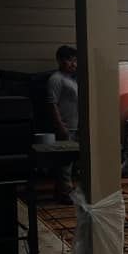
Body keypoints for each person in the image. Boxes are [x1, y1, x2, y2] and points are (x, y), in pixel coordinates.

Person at [46, 45, 78, 202]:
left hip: (76, 126)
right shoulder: (56, 79)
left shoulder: (71, 79)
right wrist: (61, 127)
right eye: (69, 60)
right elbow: (52, 104)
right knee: (65, 163)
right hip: (65, 127)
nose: (73, 64)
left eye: (75, 61)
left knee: (70, 161)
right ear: (59, 60)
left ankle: (61, 191)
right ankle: (65, 194)